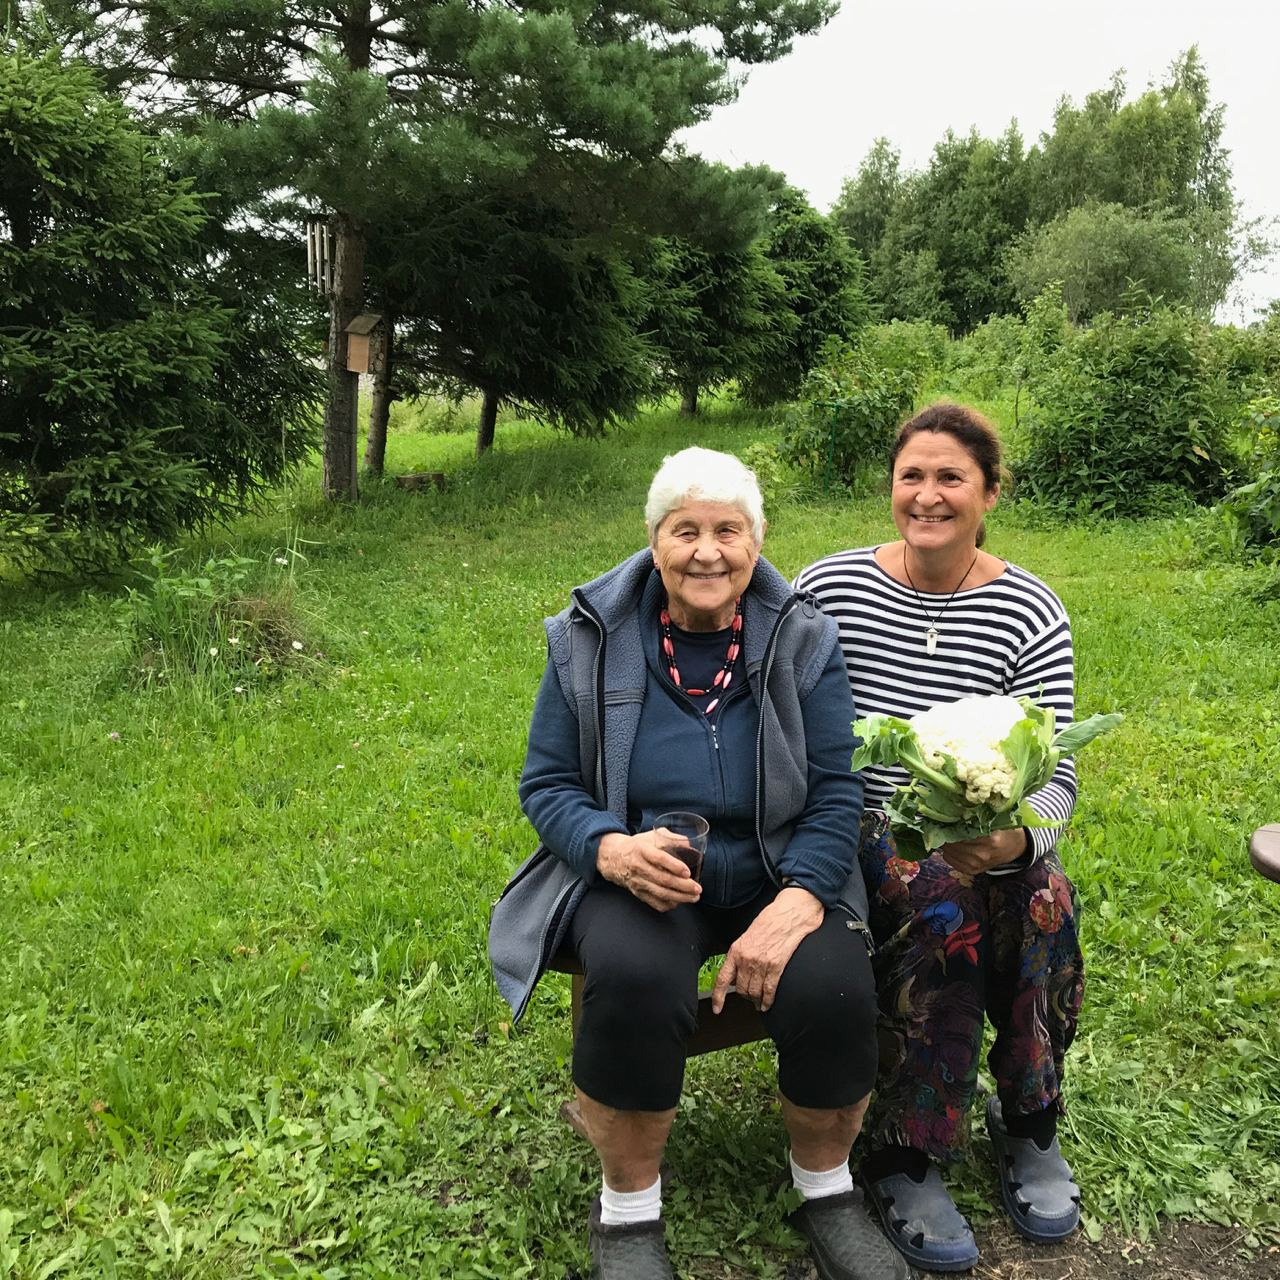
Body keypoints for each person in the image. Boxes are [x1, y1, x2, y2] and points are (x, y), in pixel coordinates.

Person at [489, 447, 905, 1280]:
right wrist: (611, 847)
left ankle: (827, 1189)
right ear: (654, 540)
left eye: (728, 529)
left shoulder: (804, 637)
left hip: (779, 866)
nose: (707, 551)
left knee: (831, 985)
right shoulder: (588, 638)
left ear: (757, 542)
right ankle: (628, 1214)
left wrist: (800, 899)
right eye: (686, 530)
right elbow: (547, 782)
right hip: (647, 875)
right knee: (636, 982)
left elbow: (836, 791)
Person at [795, 403, 1085, 1274]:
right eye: (911, 476)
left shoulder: (1030, 608)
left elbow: (1060, 773)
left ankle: (1030, 1118)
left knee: (1042, 897)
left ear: (989, 492)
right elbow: (792, 728)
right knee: (946, 903)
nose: (927, 496)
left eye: (951, 477)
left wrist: (1018, 843)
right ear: (890, 487)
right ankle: (907, 1149)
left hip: (992, 827)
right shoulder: (828, 588)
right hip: (866, 820)